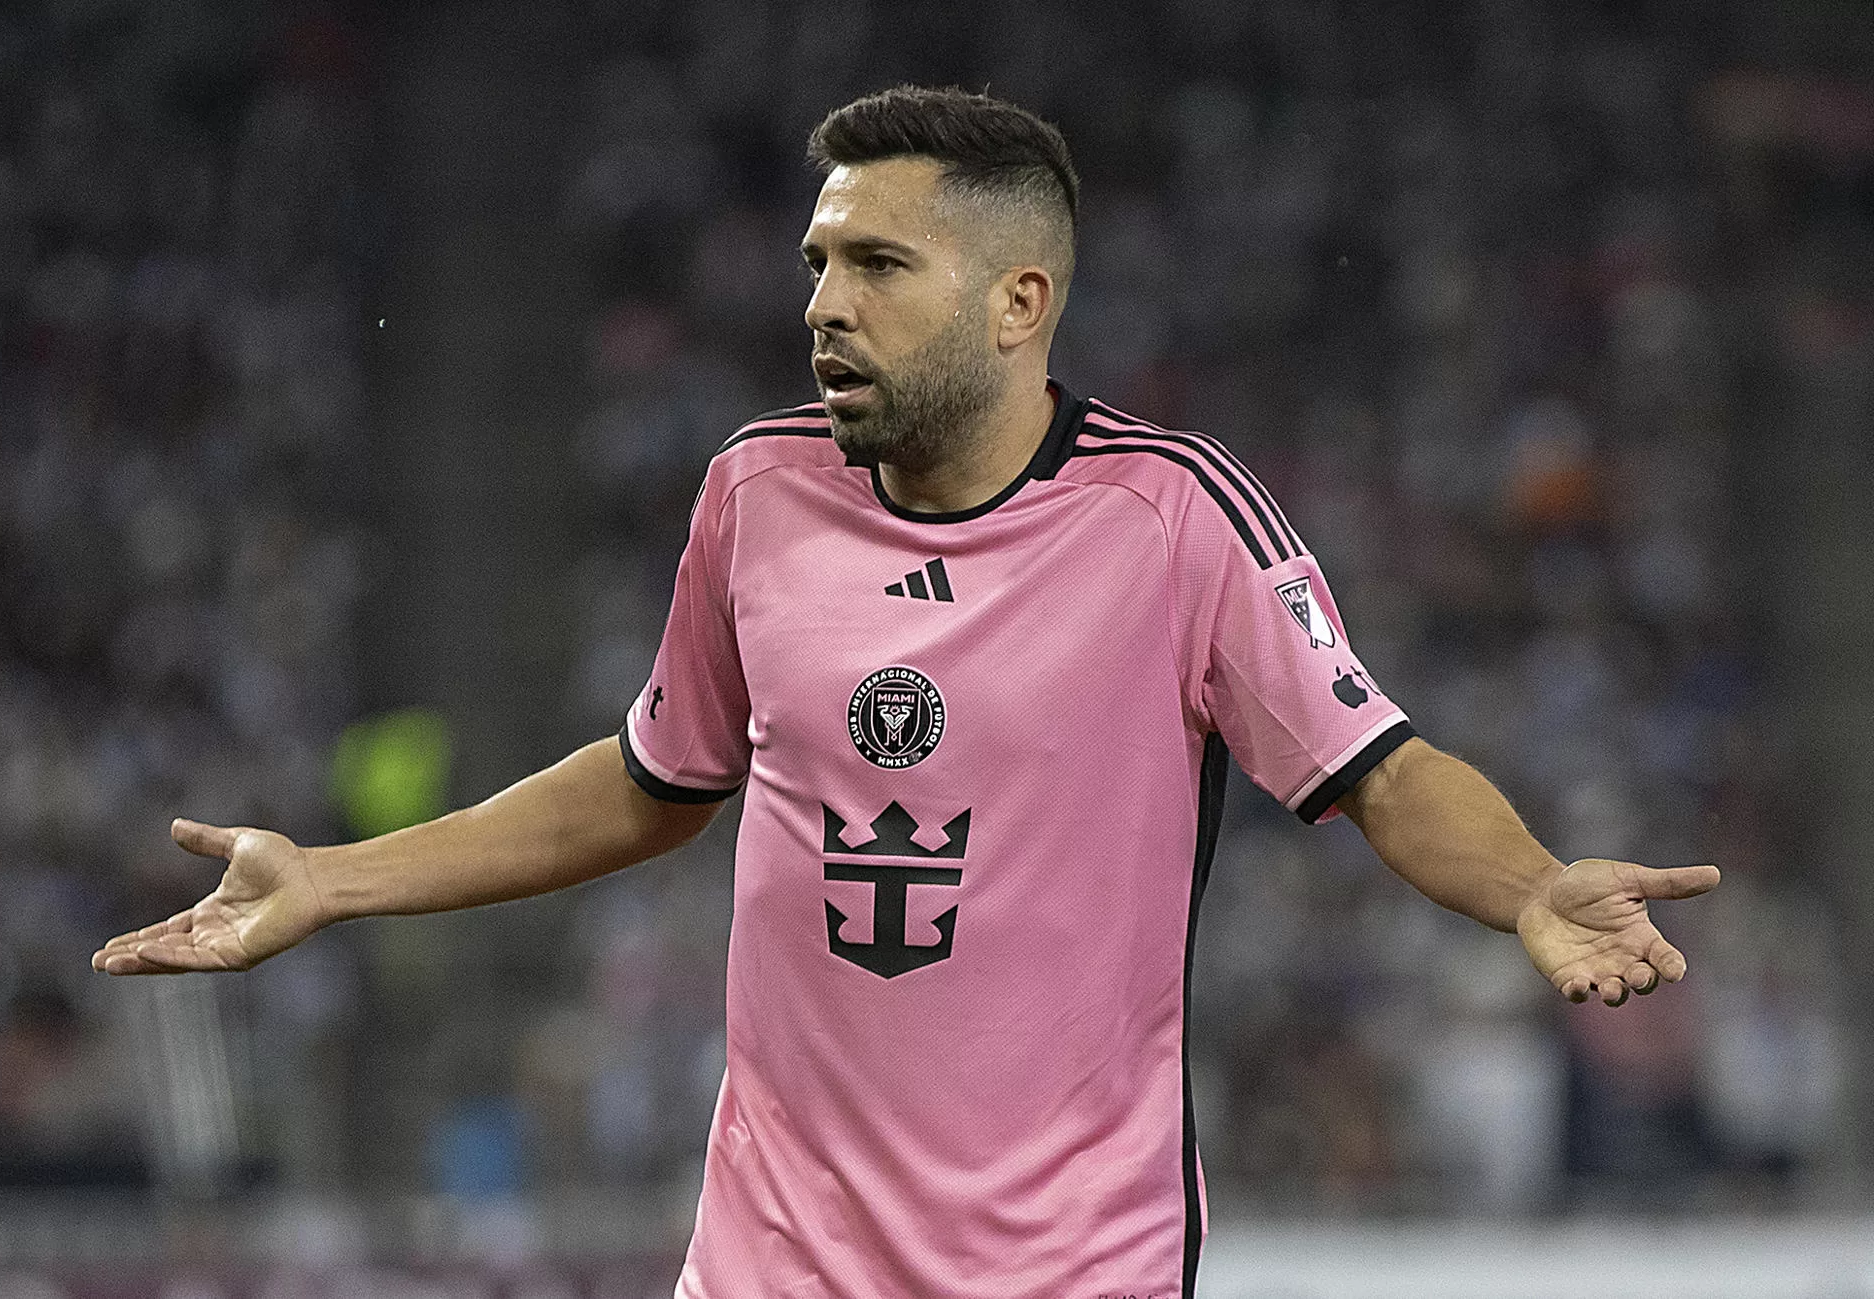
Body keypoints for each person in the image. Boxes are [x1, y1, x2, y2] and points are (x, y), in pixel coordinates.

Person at [93, 86, 1720, 1298]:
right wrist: (334, 878)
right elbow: (656, 778)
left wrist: (1527, 888)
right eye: (817, 262)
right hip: (772, 1259)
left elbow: (1379, 766)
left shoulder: (1174, 516)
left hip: (1071, 1263)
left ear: (1020, 303)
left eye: (879, 263)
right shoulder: (753, 492)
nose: (822, 304)